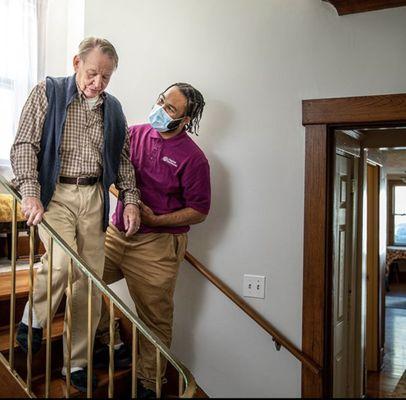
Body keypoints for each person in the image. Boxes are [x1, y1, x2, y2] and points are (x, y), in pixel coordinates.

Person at [10, 37, 141, 392]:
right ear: (76, 63)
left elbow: (123, 161)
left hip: (95, 197)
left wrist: (130, 199)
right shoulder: (48, 92)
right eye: (92, 73)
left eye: (106, 77)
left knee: (91, 282)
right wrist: (31, 194)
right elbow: (24, 144)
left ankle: (76, 361)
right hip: (56, 193)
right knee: (63, 264)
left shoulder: (113, 109)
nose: (97, 82)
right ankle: (33, 319)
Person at [95, 83, 210, 398]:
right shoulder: (134, 133)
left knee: (153, 319)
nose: (160, 110)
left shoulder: (193, 159)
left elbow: (199, 211)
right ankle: (110, 339)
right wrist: (129, 202)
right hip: (117, 233)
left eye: (170, 109)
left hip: (157, 247)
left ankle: (150, 385)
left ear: (185, 120)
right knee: (81, 276)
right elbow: (111, 174)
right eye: (161, 101)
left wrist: (156, 219)